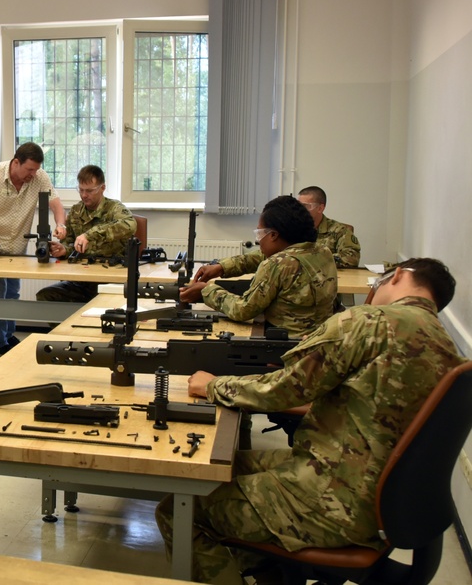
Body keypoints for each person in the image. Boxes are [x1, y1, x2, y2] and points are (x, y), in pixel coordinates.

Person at [155, 258, 461, 584]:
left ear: (398, 275)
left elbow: (287, 387)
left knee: (182, 511)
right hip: (374, 491)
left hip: (333, 499)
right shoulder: (444, 345)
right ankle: (270, 571)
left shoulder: (370, 323)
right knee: (228, 465)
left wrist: (213, 386)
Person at [179, 195, 338, 338]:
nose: (258, 241)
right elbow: (262, 256)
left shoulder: (277, 264)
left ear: (274, 235)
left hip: (289, 348)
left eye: (260, 234)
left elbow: (243, 310)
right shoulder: (322, 251)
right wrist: (222, 267)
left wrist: (206, 290)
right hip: (322, 340)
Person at [0, 142, 66, 356]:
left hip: (17, 245)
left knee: (13, 293)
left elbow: (56, 203)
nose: (33, 174)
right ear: (16, 162)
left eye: (36, 170)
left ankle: (8, 335)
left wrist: (61, 224)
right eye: (29, 170)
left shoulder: (39, 177)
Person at [35, 165, 136, 303]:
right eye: (81, 190)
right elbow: (70, 243)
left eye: (89, 191)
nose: (84, 195)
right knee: (46, 296)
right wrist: (63, 250)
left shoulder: (114, 208)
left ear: (102, 188)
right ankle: (66, 326)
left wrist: (90, 235)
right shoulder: (76, 211)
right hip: (82, 280)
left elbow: (130, 225)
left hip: (110, 280)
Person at [297, 185, 361, 268]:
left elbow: (352, 258)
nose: (300, 210)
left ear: (320, 208)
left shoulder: (339, 230)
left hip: (326, 277)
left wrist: (314, 259)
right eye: (298, 206)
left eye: (306, 206)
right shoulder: (293, 228)